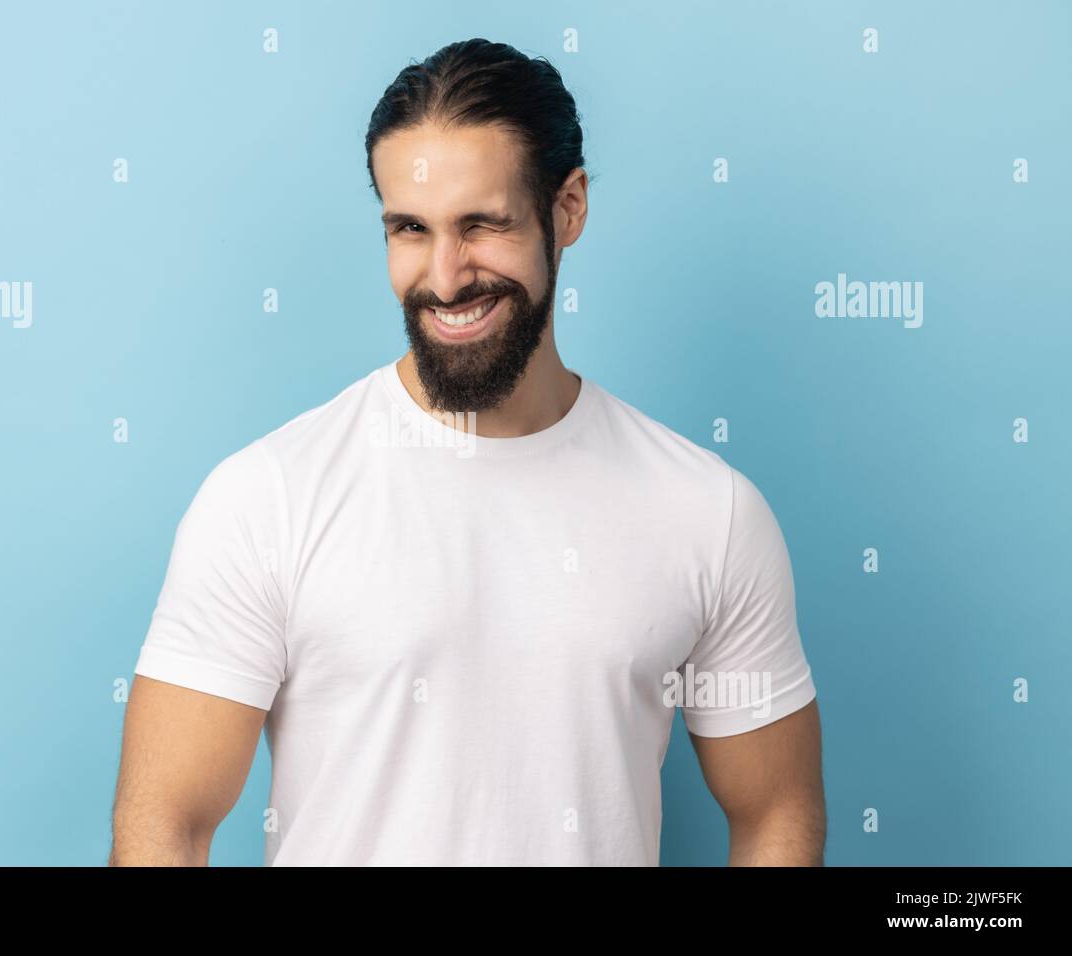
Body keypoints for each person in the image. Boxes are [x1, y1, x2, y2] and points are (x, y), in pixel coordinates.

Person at [110, 38, 824, 866]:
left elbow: (776, 812)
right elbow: (166, 822)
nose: (445, 278)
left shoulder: (710, 513)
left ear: (568, 209)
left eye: (481, 225)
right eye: (410, 229)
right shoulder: (267, 498)